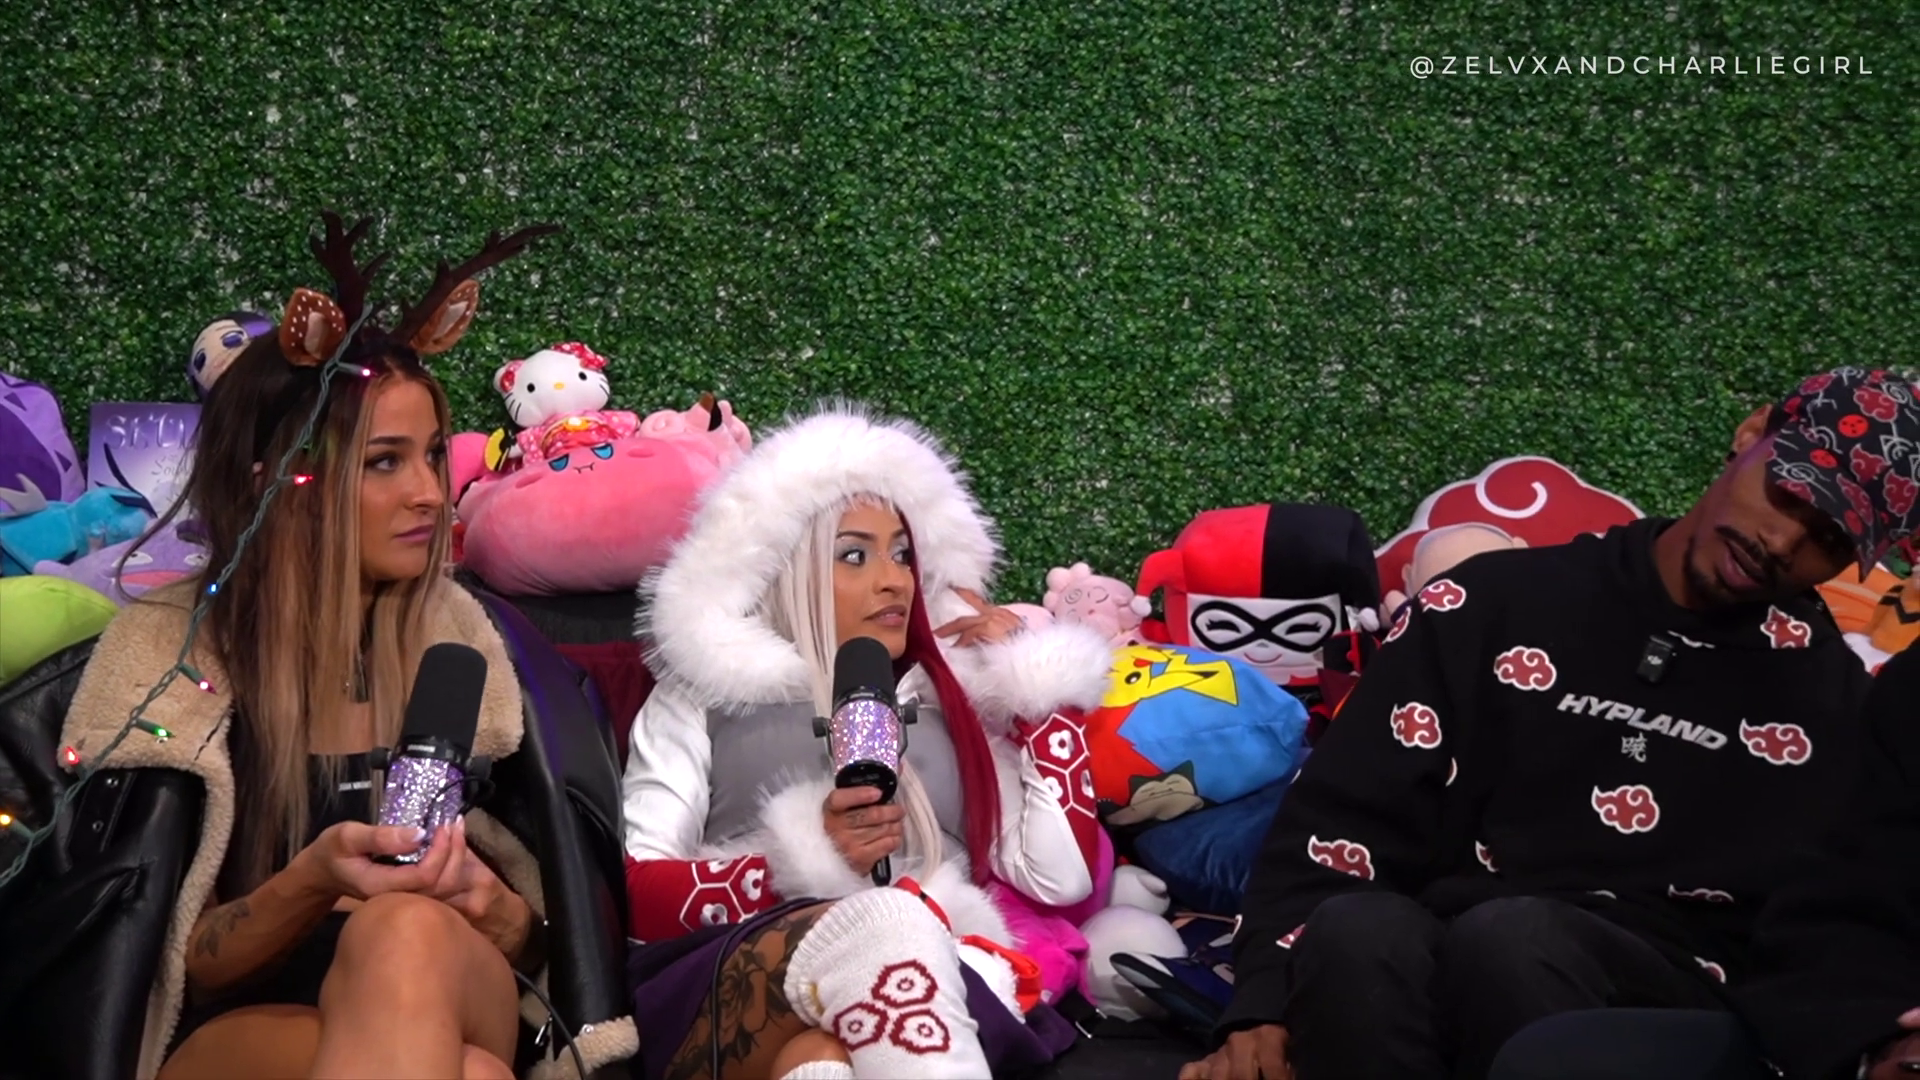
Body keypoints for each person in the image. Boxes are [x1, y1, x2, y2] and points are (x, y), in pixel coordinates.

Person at [1183, 366, 1920, 1080]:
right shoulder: (1486, 605)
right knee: (1357, 931)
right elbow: (1337, 825)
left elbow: (1838, 925)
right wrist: (1260, 1010)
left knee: (1514, 939)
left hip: (1665, 1006)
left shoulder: (1833, 701)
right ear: (1752, 432)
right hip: (1430, 959)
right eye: (1788, 494)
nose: (1783, 543)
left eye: (1829, 540)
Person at [58, 212, 559, 1079]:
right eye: (384, 462)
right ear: (282, 483)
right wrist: (314, 880)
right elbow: (163, 965)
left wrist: (496, 908)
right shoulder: (172, 654)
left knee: (403, 931)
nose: (430, 493)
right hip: (245, 1027)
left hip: (452, 974)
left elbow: (552, 950)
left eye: (433, 456)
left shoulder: (469, 642)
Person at [620, 404, 1119, 1080]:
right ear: (783, 567)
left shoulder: (950, 701)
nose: (893, 579)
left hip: (919, 985)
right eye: (854, 555)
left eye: (904, 554)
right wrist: (796, 862)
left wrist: (1040, 693)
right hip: (738, 983)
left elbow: (1062, 879)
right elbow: (631, 891)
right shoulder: (701, 699)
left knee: (824, 1060)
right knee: (888, 922)